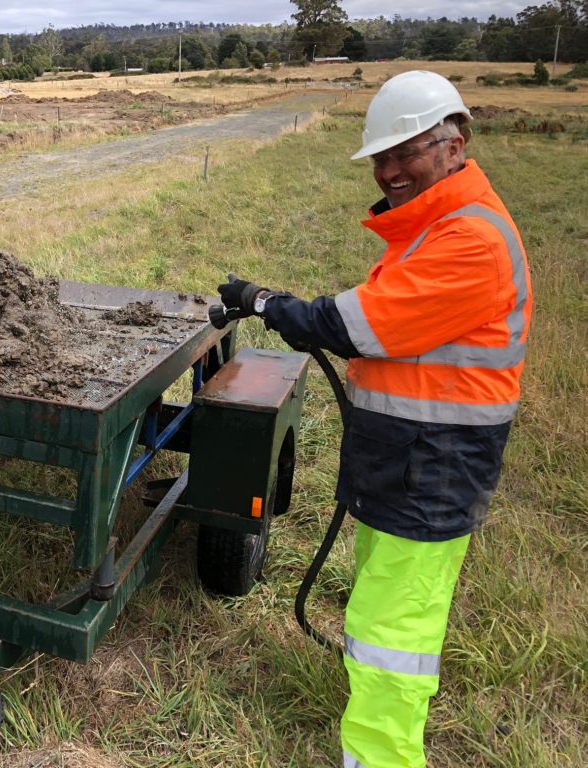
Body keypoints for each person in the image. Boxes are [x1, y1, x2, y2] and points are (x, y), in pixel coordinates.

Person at [218, 70, 532, 768]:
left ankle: (382, 756)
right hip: (408, 460)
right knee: (380, 615)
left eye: (406, 153)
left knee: (394, 636)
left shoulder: (470, 240)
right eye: (381, 158)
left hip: (434, 468)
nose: (390, 170)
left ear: (456, 144)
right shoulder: (437, 225)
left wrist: (266, 301)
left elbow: (355, 325)